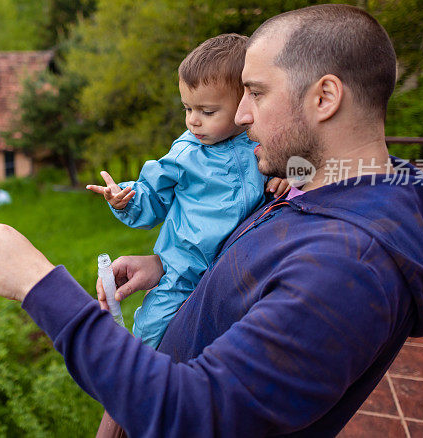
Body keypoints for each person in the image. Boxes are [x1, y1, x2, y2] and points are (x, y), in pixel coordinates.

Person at [0, 4, 423, 437]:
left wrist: (38, 284)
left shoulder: (348, 266)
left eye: (256, 92)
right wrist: (170, 267)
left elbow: (192, 414)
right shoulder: (327, 190)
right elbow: (262, 265)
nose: (243, 114)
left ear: (324, 97)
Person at [86, 33, 288, 348]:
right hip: (184, 265)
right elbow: (152, 195)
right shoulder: (186, 153)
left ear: (244, 102)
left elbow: (308, 163)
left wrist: (293, 175)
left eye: (207, 112)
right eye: (187, 108)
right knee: (152, 330)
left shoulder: (265, 142)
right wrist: (125, 199)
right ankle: (143, 375)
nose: (193, 121)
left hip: (243, 262)